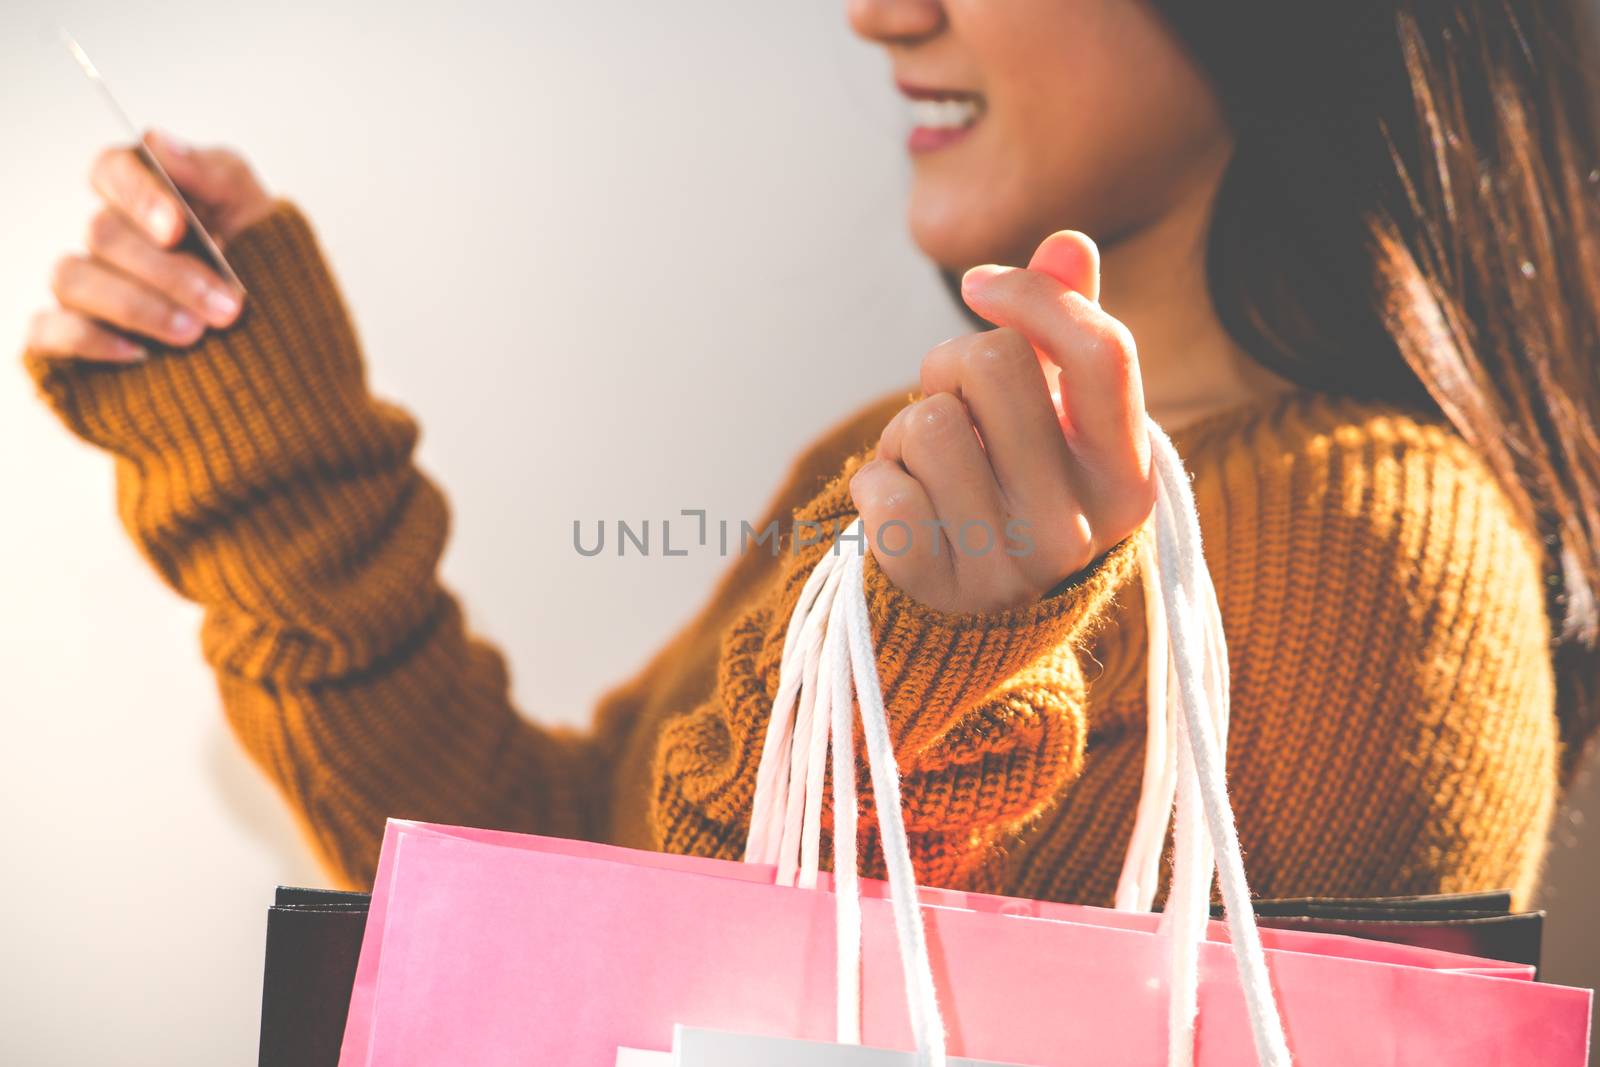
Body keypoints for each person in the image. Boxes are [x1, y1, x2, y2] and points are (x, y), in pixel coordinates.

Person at [22, 0, 1600, 910]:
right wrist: (268, 445)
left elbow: (734, 1002)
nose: (880, 11)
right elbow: (565, 890)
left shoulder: (1378, 555)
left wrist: (928, 684)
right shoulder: (921, 465)